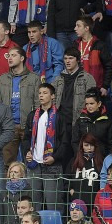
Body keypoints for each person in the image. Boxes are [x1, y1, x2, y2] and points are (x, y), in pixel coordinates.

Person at [22, 82, 70, 211]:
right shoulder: (32, 115)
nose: (41, 96)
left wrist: (55, 157)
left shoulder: (60, 116)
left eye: (45, 93)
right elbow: (26, 138)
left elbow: (65, 142)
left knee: (53, 202)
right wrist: (27, 152)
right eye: (39, 93)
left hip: (52, 164)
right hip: (34, 164)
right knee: (33, 202)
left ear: (53, 96)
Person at [0, 46, 40, 165]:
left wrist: (35, 124)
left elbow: (38, 103)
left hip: (28, 126)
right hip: (8, 126)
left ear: (22, 58)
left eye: (13, 55)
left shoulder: (34, 78)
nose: (9, 58)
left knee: (31, 162)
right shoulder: (2, 79)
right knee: (6, 163)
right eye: (8, 56)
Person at [54, 48, 97, 137]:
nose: (67, 61)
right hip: (60, 122)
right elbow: (52, 97)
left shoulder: (87, 78)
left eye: (71, 58)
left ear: (78, 60)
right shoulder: (58, 79)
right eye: (65, 58)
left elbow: (92, 101)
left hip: (78, 121)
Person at [74, 15, 112, 96]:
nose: (75, 28)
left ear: (87, 28)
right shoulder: (75, 45)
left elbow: (109, 66)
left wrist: (105, 86)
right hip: (79, 89)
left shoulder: (100, 45)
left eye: (78, 26)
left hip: (96, 89)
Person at [72, 89, 112, 158]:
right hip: (83, 159)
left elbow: (111, 144)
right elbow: (75, 142)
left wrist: (106, 160)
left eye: (91, 103)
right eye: (87, 104)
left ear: (99, 104)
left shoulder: (107, 122)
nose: (89, 106)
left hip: (102, 159)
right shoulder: (80, 121)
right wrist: (81, 157)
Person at [68, 133, 104, 207]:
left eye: (92, 145)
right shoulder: (74, 161)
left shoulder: (100, 161)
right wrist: (71, 191)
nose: (89, 148)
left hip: (94, 202)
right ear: (82, 146)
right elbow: (66, 178)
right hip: (77, 203)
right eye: (86, 145)